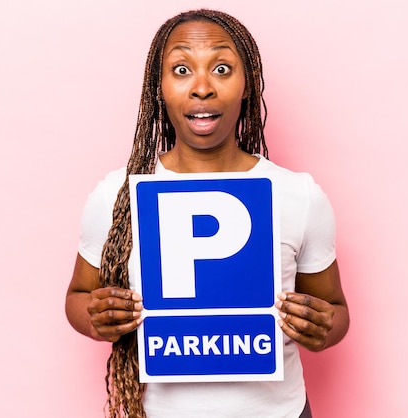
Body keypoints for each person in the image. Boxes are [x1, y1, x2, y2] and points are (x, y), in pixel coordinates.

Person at [65, 9, 349, 418]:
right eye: (181, 69)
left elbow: (336, 311)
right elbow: (78, 298)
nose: (202, 88)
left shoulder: (298, 195)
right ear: (158, 87)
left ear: (247, 84)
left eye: (221, 68)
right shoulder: (117, 195)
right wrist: (98, 317)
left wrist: (322, 328)